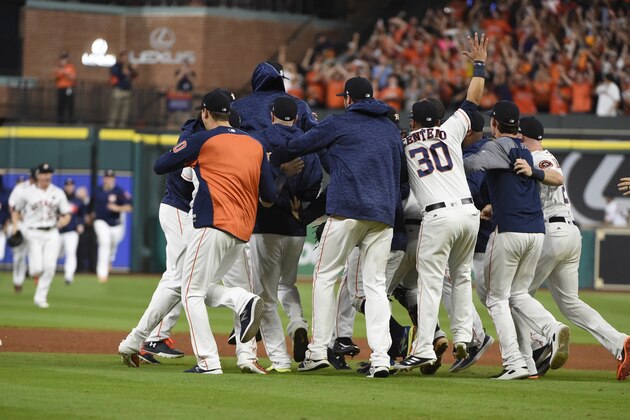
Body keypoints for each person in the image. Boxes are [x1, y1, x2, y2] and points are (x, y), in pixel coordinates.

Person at [119, 91, 269, 374]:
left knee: (188, 288)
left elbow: (161, 165)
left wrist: (197, 161)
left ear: (205, 112)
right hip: (232, 225)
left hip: (207, 220)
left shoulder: (203, 139)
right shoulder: (248, 143)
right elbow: (269, 195)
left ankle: (207, 357)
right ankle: (137, 340)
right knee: (187, 284)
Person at [273, 76, 405, 378]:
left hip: (347, 210)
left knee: (324, 277)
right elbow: (399, 176)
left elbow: (299, 145)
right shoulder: (389, 128)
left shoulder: (340, 122)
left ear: (348, 99)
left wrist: (277, 156)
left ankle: (318, 351)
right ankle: (382, 357)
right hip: (383, 216)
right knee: (375, 287)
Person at [394, 33, 486, 372]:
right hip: (469, 213)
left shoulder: (404, 143)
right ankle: (463, 337)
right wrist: (479, 64)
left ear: (414, 121)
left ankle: (424, 350)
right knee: (461, 277)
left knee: (431, 283)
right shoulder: (450, 130)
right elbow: (473, 98)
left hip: (438, 217)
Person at [514, 116, 630, 381]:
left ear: (522, 135)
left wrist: (535, 172)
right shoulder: (543, 154)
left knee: (516, 295)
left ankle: (538, 348)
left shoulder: (538, 158)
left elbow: (555, 177)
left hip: (552, 233)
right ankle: (620, 342)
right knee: (570, 303)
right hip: (568, 233)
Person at [464, 100, 571, 380]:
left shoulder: (496, 146)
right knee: (517, 295)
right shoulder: (524, 149)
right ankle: (547, 333)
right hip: (535, 231)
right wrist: (494, 206)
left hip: (509, 231)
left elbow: (470, 165)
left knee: (495, 299)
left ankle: (514, 362)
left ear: (495, 124)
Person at [10, 163, 71, 308]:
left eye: (49, 173)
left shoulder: (58, 192)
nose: (47, 176)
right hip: (32, 232)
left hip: (51, 232)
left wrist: (63, 221)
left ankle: (40, 298)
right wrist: (14, 227)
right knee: (36, 269)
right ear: (37, 176)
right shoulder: (26, 192)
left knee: (50, 267)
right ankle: (32, 273)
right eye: (44, 173)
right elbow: (16, 211)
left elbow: (66, 213)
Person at [231, 61, 318, 133]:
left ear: (256, 77)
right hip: (290, 152)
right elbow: (314, 136)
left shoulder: (237, 106)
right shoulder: (300, 105)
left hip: (252, 152)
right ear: (280, 80)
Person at [93, 170, 132, 283]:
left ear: (114, 179)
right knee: (104, 243)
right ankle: (102, 273)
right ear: (103, 178)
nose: (108, 179)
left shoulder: (119, 191)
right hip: (100, 221)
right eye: (106, 177)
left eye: (111, 177)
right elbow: (91, 205)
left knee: (112, 244)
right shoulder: (97, 191)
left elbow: (129, 207)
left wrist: (117, 208)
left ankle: (109, 259)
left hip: (115, 224)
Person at [8, 171, 36, 292]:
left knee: (35, 252)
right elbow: (12, 206)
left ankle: (35, 273)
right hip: (19, 223)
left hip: (33, 225)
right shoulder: (20, 188)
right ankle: (17, 281)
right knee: (19, 255)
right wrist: (15, 225)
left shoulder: (40, 190)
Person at [59, 178, 85, 285]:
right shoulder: (59, 198)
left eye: (71, 185)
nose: (69, 187)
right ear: (65, 186)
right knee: (55, 254)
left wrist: (81, 224)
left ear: (74, 186)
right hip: (58, 231)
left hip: (72, 231)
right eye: (67, 185)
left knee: (71, 253)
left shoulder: (78, 200)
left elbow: (82, 215)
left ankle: (69, 276)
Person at [107, 51, 137, 128]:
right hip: (118, 90)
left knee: (125, 110)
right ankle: (112, 125)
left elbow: (134, 75)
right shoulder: (117, 66)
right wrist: (124, 73)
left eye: (126, 57)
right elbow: (114, 72)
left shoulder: (129, 67)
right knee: (115, 109)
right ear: (120, 57)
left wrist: (133, 69)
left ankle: (122, 126)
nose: (125, 59)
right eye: (124, 57)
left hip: (127, 90)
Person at [54, 52, 77, 124]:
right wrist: (62, 71)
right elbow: (56, 77)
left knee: (70, 105)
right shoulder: (58, 68)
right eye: (62, 59)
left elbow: (73, 77)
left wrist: (66, 73)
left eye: (65, 58)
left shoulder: (71, 67)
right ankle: (60, 121)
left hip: (69, 88)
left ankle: (71, 121)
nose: (63, 60)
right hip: (61, 88)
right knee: (60, 105)